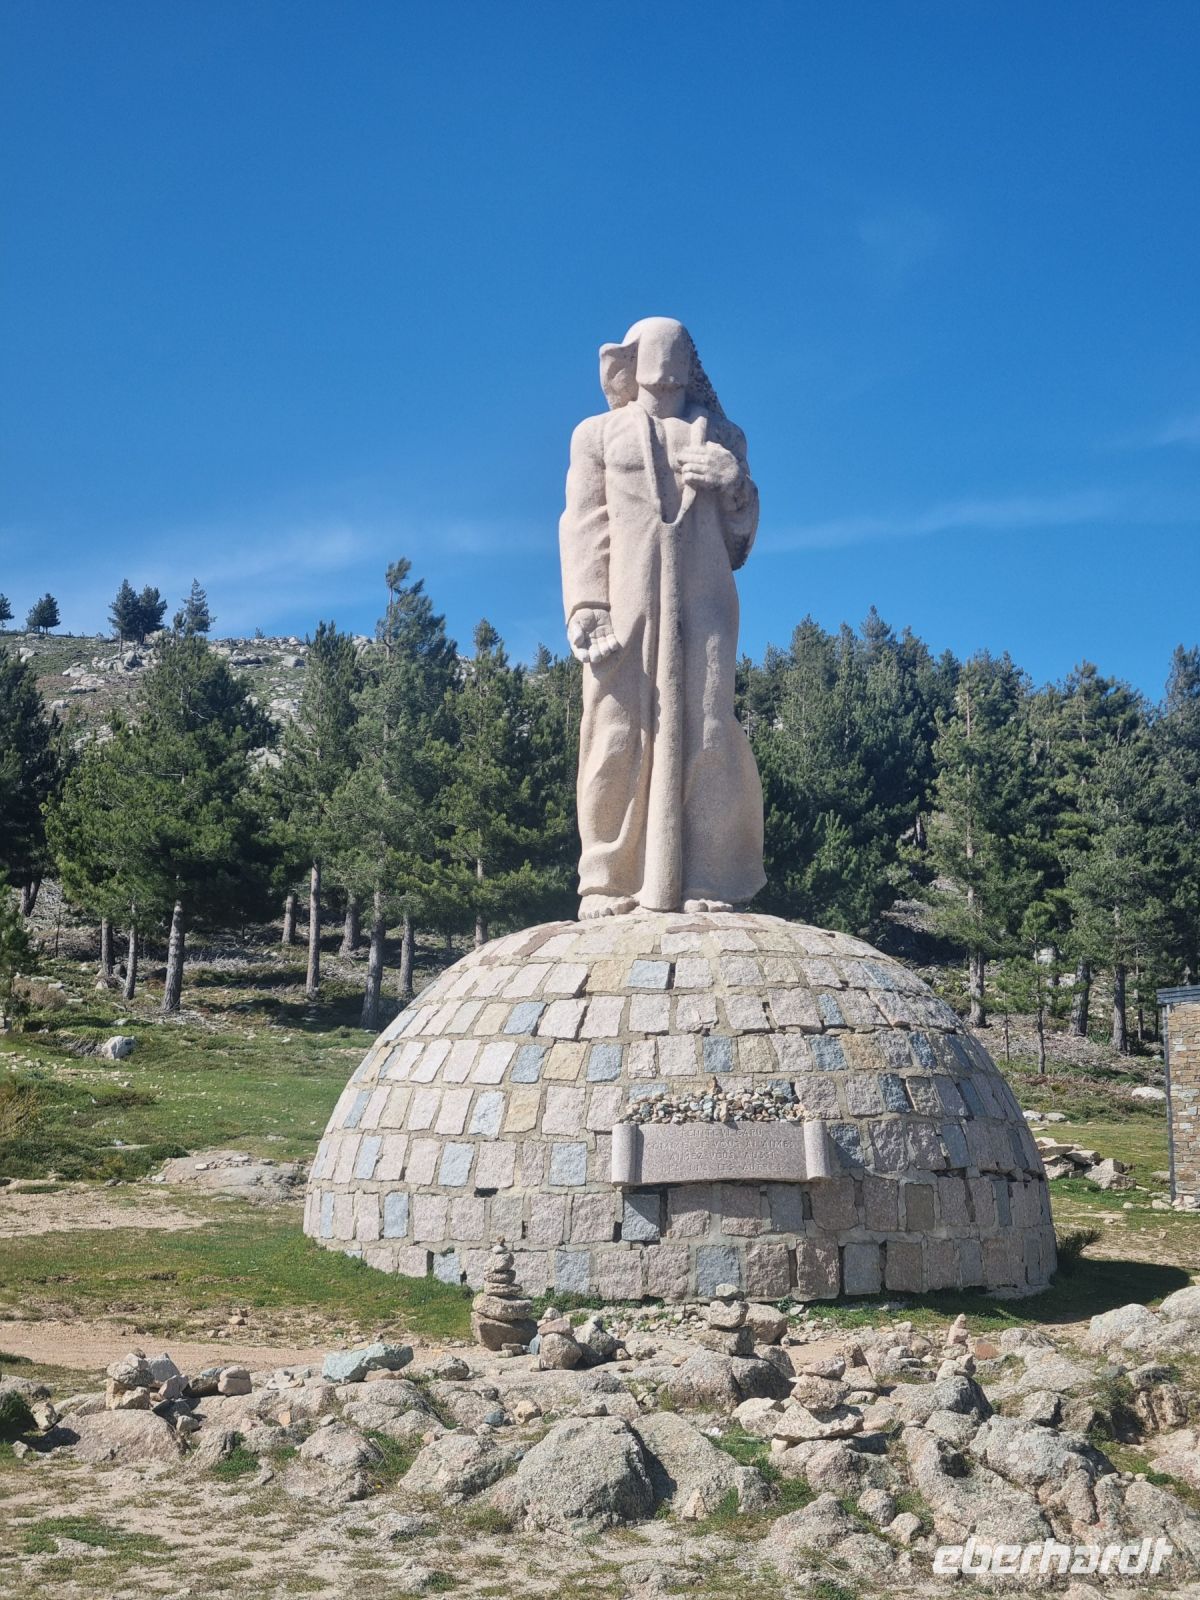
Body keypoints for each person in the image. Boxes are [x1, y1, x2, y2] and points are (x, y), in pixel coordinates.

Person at [559, 316, 766, 918]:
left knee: (706, 727)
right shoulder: (596, 434)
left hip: (704, 605)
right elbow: (582, 524)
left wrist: (734, 486)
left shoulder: (724, 436)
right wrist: (587, 604)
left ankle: (708, 876)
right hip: (625, 607)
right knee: (614, 731)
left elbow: (739, 543)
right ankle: (607, 878)